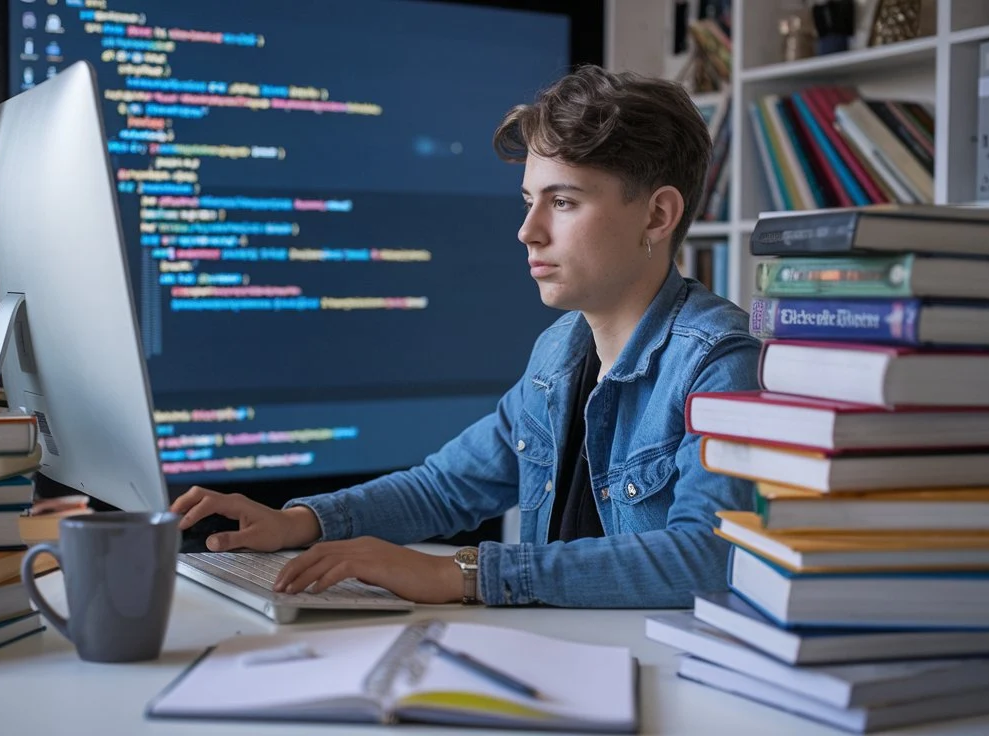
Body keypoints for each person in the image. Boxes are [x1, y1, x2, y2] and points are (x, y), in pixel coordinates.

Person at [171, 66, 761, 608]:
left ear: (657, 216)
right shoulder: (558, 352)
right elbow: (447, 486)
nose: (528, 231)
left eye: (562, 201)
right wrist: (297, 521)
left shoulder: (719, 361)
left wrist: (463, 573)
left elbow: (707, 558)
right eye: (531, 201)